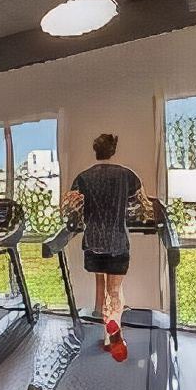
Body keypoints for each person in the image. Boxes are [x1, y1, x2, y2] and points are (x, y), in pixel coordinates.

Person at [61, 134, 152, 362]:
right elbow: (143, 206)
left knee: (102, 288)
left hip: (93, 243)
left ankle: (108, 336)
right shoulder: (127, 175)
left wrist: (81, 216)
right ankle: (113, 326)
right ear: (113, 150)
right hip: (117, 241)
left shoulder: (83, 178)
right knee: (114, 291)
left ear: (96, 151)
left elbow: (69, 209)